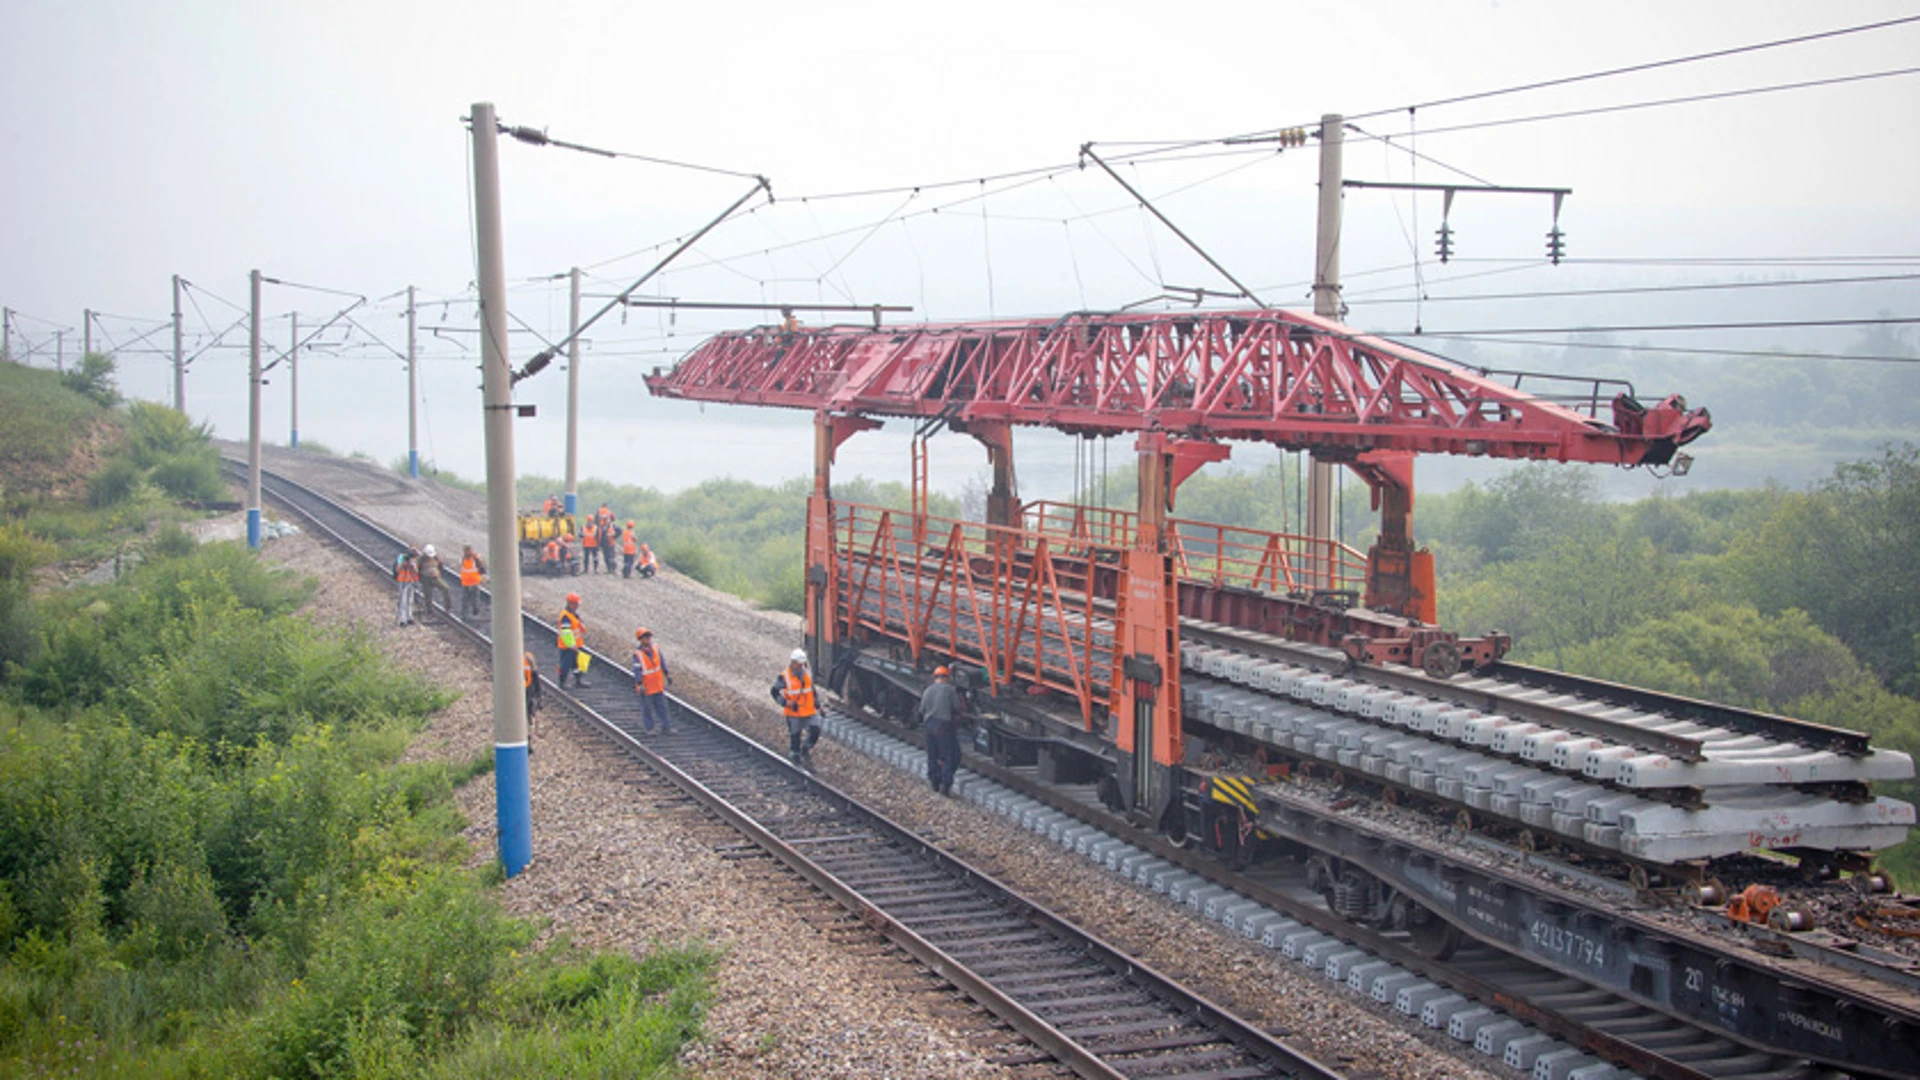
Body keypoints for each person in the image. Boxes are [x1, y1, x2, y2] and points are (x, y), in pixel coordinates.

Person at [771, 647, 820, 767]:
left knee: (815, 730)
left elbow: (812, 690)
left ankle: (806, 749)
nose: (801, 667)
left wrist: (817, 703)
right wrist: (785, 703)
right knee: (795, 739)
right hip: (794, 714)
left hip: (809, 711)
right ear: (793, 662)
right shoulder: (784, 677)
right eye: (799, 664)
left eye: (803, 664)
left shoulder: (806, 674)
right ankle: (795, 759)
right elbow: (774, 692)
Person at [918, 666, 963, 795]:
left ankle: (934, 781)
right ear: (946, 678)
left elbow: (921, 710)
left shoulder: (928, 690)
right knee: (950, 755)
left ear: (934, 677)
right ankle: (945, 783)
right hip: (943, 725)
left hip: (929, 725)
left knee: (932, 754)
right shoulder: (949, 690)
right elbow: (957, 707)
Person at [631, 627, 672, 734]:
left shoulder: (656, 649)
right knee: (647, 709)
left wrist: (667, 674)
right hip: (647, 687)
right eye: (645, 637)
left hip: (657, 686)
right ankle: (649, 728)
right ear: (640, 639)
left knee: (662, 707)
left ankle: (666, 727)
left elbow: (661, 662)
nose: (648, 639)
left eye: (649, 637)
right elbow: (637, 670)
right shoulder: (638, 655)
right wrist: (639, 684)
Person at [556, 593, 588, 688]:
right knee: (565, 665)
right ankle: (562, 682)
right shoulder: (566, 616)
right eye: (576, 604)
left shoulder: (573, 614)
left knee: (577, 665)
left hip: (575, 645)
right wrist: (571, 645)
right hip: (567, 646)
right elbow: (566, 632)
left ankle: (578, 680)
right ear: (571, 604)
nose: (578, 606)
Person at [417, 544, 449, 621]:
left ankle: (448, 607)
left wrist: (438, 573)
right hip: (425, 579)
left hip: (435, 578)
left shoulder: (436, 558)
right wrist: (421, 578)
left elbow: (441, 566)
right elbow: (417, 569)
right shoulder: (421, 560)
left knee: (446, 588)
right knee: (428, 596)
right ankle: (429, 612)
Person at [458, 544, 487, 619]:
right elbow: (482, 568)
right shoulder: (475, 558)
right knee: (474, 598)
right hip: (473, 582)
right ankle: (474, 611)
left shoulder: (464, 558)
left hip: (467, 582)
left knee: (466, 599)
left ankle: (465, 614)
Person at [393, 546, 420, 626]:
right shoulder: (402, 559)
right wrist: (403, 564)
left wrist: (413, 566)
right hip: (403, 581)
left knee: (410, 600)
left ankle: (409, 617)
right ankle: (402, 620)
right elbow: (397, 570)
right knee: (403, 601)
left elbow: (417, 571)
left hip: (411, 581)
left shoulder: (415, 561)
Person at [523, 649, 540, 746]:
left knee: (528, 718)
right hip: (526, 692)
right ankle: (528, 741)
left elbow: (535, 679)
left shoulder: (527, 659)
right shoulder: (528, 659)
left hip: (526, 693)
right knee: (528, 718)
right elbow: (536, 680)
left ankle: (528, 741)